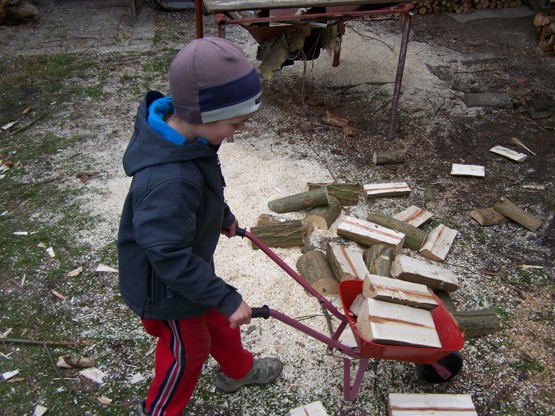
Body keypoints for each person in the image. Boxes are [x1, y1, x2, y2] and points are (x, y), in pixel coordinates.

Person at [117, 37, 283, 416]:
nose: (237, 131)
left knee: (223, 322)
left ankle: (238, 372)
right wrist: (224, 295)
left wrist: (220, 214)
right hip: (167, 287)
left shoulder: (187, 142)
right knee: (188, 352)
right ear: (205, 115)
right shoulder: (168, 179)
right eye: (235, 123)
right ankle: (159, 412)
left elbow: (199, 192)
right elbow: (167, 254)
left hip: (188, 269)